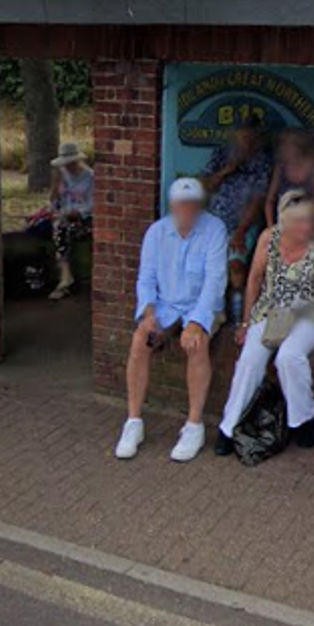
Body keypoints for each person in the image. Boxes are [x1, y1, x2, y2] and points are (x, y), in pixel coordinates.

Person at [217, 189, 314, 456]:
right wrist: (245, 323)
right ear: (284, 221)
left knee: (289, 356)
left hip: (311, 311)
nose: (306, 226)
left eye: (310, 220)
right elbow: (254, 280)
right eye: (299, 221)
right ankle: (229, 427)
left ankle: (302, 420)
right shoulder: (269, 237)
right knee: (251, 358)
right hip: (274, 311)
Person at [116, 178, 230, 463]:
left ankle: (194, 425)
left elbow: (215, 282)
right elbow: (146, 278)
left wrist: (197, 323)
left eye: (192, 204)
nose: (186, 209)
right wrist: (148, 313)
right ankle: (133, 422)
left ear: (199, 205)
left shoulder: (215, 229)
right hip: (166, 305)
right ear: (172, 205)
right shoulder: (156, 232)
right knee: (140, 340)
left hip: (202, 305)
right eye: (181, 203)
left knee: (196, 343)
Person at [199, 119, 273, 315]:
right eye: (241, 139)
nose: (246, 144)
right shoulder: (221, 154)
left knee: (236, 267)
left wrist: (240, 232)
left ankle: (237, 317)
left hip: (243, 224)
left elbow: (258, 200)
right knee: (210, 268)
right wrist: (228, 169)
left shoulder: (263, 161)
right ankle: (212, 312)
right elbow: (204, 186)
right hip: (214, 222)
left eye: (250, 139)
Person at [262, 128, 314, 227]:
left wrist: (299, 212)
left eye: (288, 145)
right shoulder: (280, 167)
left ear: (301, 148)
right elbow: (270, 200)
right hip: (284, 226)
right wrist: (271, 228)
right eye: (282, 144)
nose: (283, 148)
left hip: (311, 226)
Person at [49, 141, 94, 300]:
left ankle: (65, 277)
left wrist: (76, 213)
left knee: (61, 229)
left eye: (70, 164)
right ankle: (61, 274)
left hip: (85, 219)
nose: (67, 167)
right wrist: (55, 185)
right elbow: (54, 202)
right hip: (63, 216)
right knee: (41, 227)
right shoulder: (62, 173)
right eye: (65, 164)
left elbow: (92, 205)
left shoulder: (90, 177)